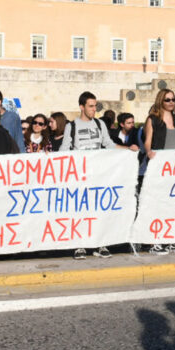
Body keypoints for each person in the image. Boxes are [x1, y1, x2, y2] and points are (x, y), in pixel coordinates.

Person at [59, 92, 117, 259]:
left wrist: (127, 149)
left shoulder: (100, 124)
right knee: (80, 211)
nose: (94, 109)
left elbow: (108, 144)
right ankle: (80, 245)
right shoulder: (72, 126)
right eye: (91, 106)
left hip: (98, 175)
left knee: (99, 209)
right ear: (82, 107)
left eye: (95, 106)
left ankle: (100, 244)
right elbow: (65, 149)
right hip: (80, 176)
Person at [143, 89, 175, 160]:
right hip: (159, 160)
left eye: (173, 99)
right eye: (167, 100)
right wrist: (148, 152)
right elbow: (148, 141)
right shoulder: (152, 119)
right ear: (160, 101)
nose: (171, 102)